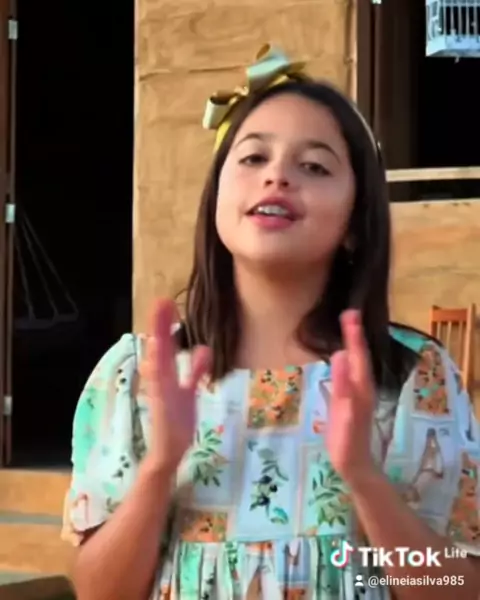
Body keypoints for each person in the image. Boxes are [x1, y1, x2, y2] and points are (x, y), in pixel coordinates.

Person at [61, 44, 480, 600]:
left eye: (315, 166)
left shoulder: (411, 376)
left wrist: (364, 477)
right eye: (254, 157)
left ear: (356, 223)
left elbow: (458, 587)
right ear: (216, 198)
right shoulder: (137, 376)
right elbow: (98, 593)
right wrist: (161, 466)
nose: (277, 176)